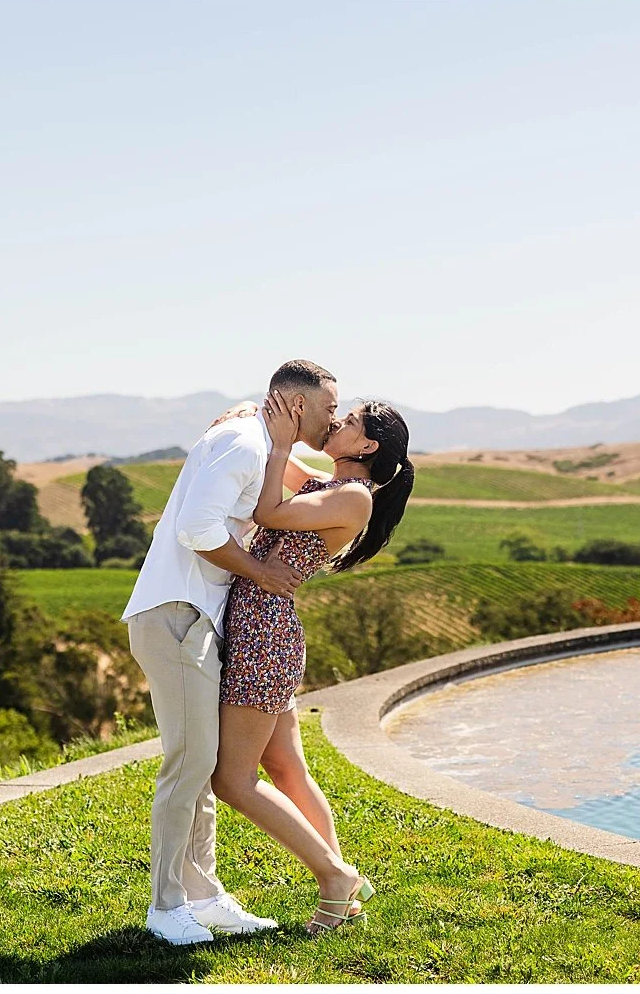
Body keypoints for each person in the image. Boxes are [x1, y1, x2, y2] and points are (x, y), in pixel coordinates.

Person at [120, 359, 342, 946]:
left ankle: (205, 896)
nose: (334, 417)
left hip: (195, 620)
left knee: (203, 760)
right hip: (176, 617)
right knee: (189, 764)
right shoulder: (244, 442)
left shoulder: (254, 439)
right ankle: (167, 906)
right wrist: (262, 573)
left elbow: (292, 481)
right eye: (327, 407)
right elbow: (198, 527)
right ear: (296, 404)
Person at [212, 389, 414, 935]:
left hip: (263, 634)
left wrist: (277, 440)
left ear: (366, 444)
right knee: (285, 768)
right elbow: (284, 465)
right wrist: (252, 422)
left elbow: (267, 509)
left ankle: (333, 878)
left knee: (231, 780)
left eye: (347, 420)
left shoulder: (355, 498)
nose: (336, 422)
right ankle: (346, 886)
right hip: (267, 628)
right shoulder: (334, 484)